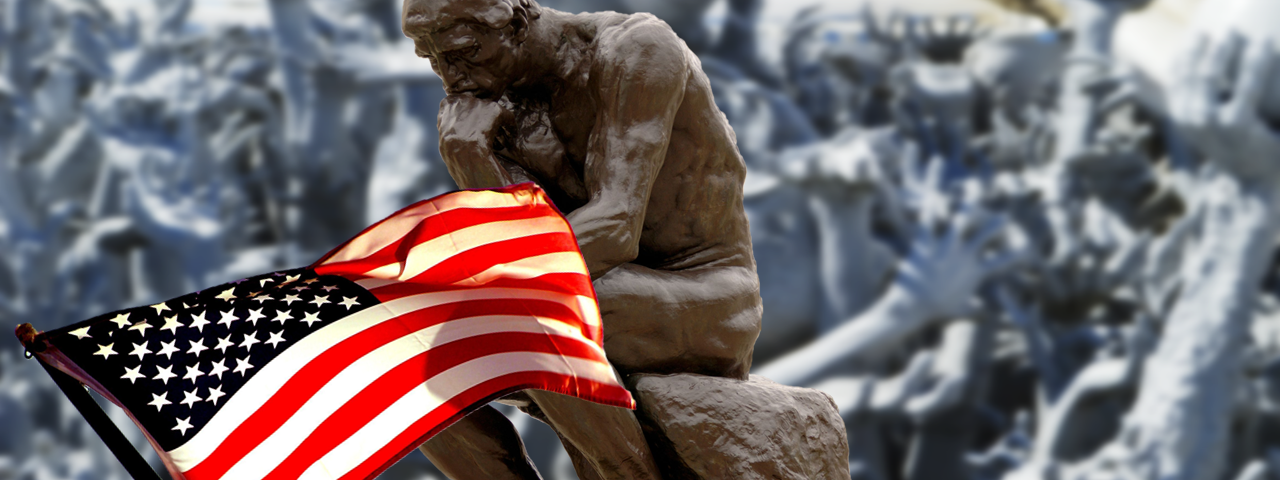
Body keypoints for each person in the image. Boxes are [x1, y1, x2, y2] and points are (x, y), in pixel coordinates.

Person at [400, 0, 764, 478]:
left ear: (515, 19)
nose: (450, 76)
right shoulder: (485, 106)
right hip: (593, 291)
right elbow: (519, 238)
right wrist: (468, 157)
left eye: (464, 51)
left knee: (529, 313)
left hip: (709, 294)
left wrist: (480, 289)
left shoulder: (634, 51)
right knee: (403, 356)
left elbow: (616, 227)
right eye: (432, 61)